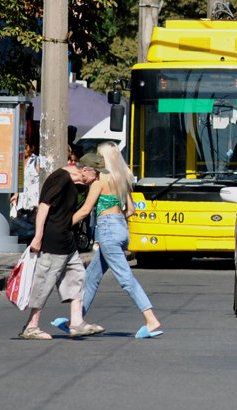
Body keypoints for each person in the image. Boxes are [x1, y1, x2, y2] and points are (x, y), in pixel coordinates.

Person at [76, 141, 164, 339]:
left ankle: (150, 319)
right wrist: (116, 221)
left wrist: (63, 224)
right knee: (91, 276)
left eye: (99, 156)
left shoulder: (100, 180)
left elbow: (85, 210)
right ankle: (77, 320)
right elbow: (131, 210)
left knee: (125, 278)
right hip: (121, 229)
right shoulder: (122, 178)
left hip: (107, 230)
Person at [19, 152, 99, 340]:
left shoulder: (75, 182)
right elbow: (44, 207)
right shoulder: (60, 178)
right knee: (45, 282)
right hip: (53, 240)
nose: (96, 180)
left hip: (67, 240)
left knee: (78, 275)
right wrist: (38, 237)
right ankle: (31, 326)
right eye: (95, 175)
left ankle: (77, 322)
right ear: (85, 170)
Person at [9, 142, 47, 241]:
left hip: (34, 195)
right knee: (22, 218)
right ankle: (29, 238)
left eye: (25, 148)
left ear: (31, 148)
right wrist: (16, 194)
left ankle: (36, 239)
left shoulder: (36, 160)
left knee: (34, 218)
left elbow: (42, 178)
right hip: (23, 195)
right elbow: (19, 180)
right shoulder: (19, 161)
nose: (24, 150)